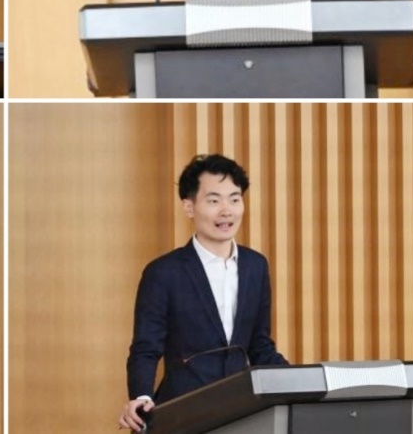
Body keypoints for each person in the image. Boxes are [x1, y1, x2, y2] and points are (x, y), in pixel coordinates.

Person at [117, 154, 287, 432]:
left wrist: (298, 381)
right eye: (213, 200)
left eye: (234, 199)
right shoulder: (163, 272)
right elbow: (146, 348)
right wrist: (141, 396)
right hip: (184, 413)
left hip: (242, 412)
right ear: (189, 207)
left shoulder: (256, 266)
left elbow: (260, 346)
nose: (227, 211)